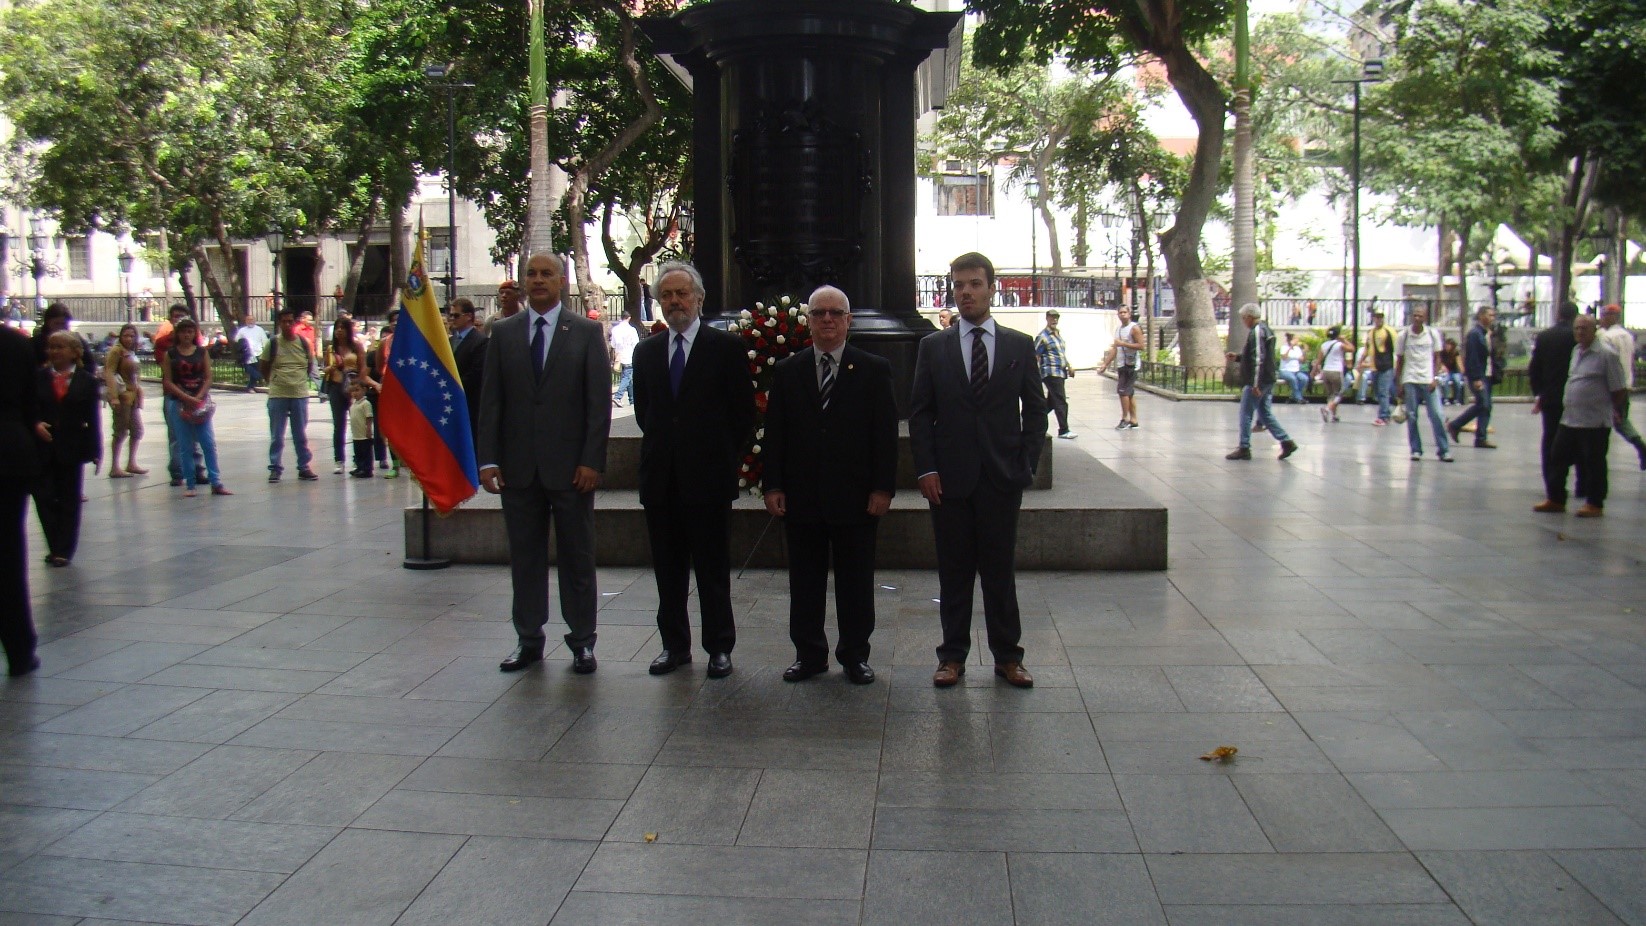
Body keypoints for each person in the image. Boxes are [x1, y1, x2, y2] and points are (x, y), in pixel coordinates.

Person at [910, 252, 1046, 689]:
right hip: (949, 481)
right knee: (953, 572)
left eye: (974, 284)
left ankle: (1009, 657)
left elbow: (1036, 411)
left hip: (1002, 479)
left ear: (991, 288)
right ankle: (952, 656)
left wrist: (1025, 464)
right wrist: (927, 468)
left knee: (999, 572)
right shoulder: (934, 347)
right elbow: (920, 413)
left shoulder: (1019, 346)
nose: (965, 292)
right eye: (959, 284)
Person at [477, 252, 611, 674]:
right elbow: (491, 401)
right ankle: (529, 638)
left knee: (577, 555)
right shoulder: (503, 333)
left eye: (546, 274)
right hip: (518, 469)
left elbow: (597, 404)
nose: (538, 280)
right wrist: (488, 460)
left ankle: (582, 641)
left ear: (561, 281)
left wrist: (592, 460)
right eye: (531, 274)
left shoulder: (586, 332)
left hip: (572, 469)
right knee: (525, 557)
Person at [762, 285, 897, 685]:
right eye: (819, 313)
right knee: (805, 581)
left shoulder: (873, 369)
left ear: (848, 320)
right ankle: (809, 655)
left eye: (835, 313)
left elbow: (884, 435)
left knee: (856, 581)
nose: (827, 320)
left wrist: (882, 488)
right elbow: (776, 435)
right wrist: (773, 486)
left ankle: (855, 655)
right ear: (808, 320)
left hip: (857, 498)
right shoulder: (788, 371)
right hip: (802, 498)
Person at [632, 260, 754, 679]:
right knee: (668, 572)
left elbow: (742, 415)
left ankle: (719, 647)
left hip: (708, 481)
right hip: (661, 480)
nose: (674, 301)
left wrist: (720, 460)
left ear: (699, 299)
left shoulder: (726, 348)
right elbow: (645, 413)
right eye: (666, 295)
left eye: (682, 293)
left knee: (712, 570)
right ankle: (674, 646)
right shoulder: (646, 351)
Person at [1535, 314, 1627, 517]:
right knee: (1557, 457)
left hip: (1594, 421)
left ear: (1594, 330)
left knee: (1593, 462)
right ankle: (1556, 498)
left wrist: (1612, 409)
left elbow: (1619, 388)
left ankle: (1595, 502)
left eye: (1584, 328)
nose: (1579, 332)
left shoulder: (1606, 354)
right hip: (1570, 418)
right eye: (1576, 328)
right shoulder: (1576, 351)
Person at [32, 331, 101, 566]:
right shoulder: (38, 377)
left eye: (60, 347)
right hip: (43, 446)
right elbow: (27, 406)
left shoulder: (87, 381)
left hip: (72, 447)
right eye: (51, 347)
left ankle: (63, 549)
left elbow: (94, 419)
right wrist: (35, 423)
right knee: (44, 497)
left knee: (69, 498)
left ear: (74, 352)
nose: (54, 352)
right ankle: (54, 542)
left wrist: (96, 450)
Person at [1, 324, 42, 675]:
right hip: (10, 452)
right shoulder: (16, 343)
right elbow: (33, 402)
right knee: (9, 554)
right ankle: (19, 647)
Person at [160, 317, 230, 498]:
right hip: (179, 402)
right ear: (178, 334)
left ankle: (216, 481)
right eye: (183, 331)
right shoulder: (171, 354)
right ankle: (190, 483)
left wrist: (198, 397)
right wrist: (185, 397)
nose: (187, 335)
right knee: (185, 445)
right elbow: (167, 381)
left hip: (200, 402)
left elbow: (208, 377)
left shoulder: (201, 352)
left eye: (190, 331)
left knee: (208, 442)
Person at [1225, 303, 1299, 461]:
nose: (1243, 321)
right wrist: (1239, 357)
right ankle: (1286, 441)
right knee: (1264, 413)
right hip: (1267, 378)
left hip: (1260, 380)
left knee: (1246, 413)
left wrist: (1255, 384)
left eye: (1244, 318)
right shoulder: (1265, 329)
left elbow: (1259, 359)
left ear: (1249, 317)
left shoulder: (1258, 331)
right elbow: (1258, 355)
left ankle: (1244, 447)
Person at [260, 309, 319, 483]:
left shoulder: (303, 342)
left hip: (299, 394)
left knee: (300, 433)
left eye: (290, 321)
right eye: (284, 321)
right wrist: (273, 381)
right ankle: (275, 467)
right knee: (277, 434)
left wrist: (299, 380)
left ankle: (304, 466)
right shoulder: (273, 343)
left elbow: (309, 364)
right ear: (279, 323)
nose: (288, 325)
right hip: (278, 394)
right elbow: (263, 366)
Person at [1529, 303, 1578, 495]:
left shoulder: (1545, 336)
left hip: (1550, 397)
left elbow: (1535, 368)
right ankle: (1581, 483)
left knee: (1550, 438)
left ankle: (1551, 480)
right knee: (1577, 439)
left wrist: (1538, 393)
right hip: (1573, 397)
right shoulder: (1577, 338)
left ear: (1558, 314)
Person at [153, 304, 204, 486]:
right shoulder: (163, 344)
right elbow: (166, 371)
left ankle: (198, 470)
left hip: (194, 392)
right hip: (174, 394)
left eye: (182, 316)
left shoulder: (196, 344)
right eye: (175, 317)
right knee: (175, 434)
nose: (179, 320)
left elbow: (203, 369)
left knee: (196, 433)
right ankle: (177, 471)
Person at [1394, 306, 1453, 462]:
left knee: (1437, 415)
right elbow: (1399, 360)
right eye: (1415, 315)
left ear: (1425, 318)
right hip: (1410, 378)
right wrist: (1399, 383)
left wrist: (1435, 377)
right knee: (1412, 415)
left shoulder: (1432, 334)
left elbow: (1437, 357)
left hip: (1427, 379)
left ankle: (1444, 449)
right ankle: (1416, 449)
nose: (1417, 318)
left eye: (1420, 316)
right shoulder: (1404, 335)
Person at [1597, 304, 1646, 469]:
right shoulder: (1627, 335)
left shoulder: (1606, 337)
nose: (1601, 319)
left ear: (1612, 317)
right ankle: (1640, 446)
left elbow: (1605, 363)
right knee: (1621, 419)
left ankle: (1640, 446)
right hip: (1626, 384)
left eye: (1604, 316)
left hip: (1611, 387)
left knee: (1613, 422)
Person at [1447, 306, 1497, 450]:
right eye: (1490, 315)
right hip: (1479, 375)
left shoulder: (1487, 333)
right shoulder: (1475, 334)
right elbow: (1472, 357)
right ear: (1481, 316)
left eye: (1493, 315)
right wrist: (1475, 378)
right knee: (1482, 404)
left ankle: (1481, 438)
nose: (1492, 318)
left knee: (1487, 406)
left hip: (1487, 374)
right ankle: (1455, 425)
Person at [322, 315, 366, 474]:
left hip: (353, 386)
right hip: (336, 386)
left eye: (342, 327)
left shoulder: (357, 347)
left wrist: (359, 385)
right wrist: (333, 367)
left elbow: (363, 367)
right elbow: (325, 369)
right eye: (337, 328)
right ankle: (339, 459)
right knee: (338, 424)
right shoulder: (331, 349)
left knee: (357, 424)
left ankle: (359, 459)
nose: (339, 331)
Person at [103, 324, 148, 478]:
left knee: (137, 430)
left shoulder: (131, 351)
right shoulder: (117, 351)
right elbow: (109, 372)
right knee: (120, 430)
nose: (129, 339)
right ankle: (115, 466)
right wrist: (113, 396)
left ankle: (131, 462)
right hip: (122, 396)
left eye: (132, 336)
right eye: (126, 336)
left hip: (133, 395)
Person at [446, 297, 487, 444]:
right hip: (450, 404)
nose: (452, 319)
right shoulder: (448, 342)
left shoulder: (480, 341)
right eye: (450, 315)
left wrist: (453, 385)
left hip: (469, 404)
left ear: (469, 316)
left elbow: (477, 373)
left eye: (456, 315)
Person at [1034, 309, 1077, 439]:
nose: (1055, 320)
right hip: (1051, 373)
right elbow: (1035, 355)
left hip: (1060, 371)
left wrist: (1069, 366)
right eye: (1052, 317)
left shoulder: (1057, 335)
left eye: (1056, 317)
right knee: (1061, 401)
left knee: (1052, 402)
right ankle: (1064, 430)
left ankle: (1031, 419)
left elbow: (1061, 354)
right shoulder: (1043, 336)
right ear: (1047, 318)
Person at [1112, 305, 1144, 429]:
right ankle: (1134, 420)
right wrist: (1105, 364)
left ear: (1129, 314)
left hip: (1131, 365)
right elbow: (1115, 348)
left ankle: (1125, 418)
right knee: (1129, 393)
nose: (1122, 314)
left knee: (1123, 392)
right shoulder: (1119, 329)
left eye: (1125, 312)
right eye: (1120, 312)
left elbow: (1141, 346)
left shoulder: (1134, 328)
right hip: (1122, 364)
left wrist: (1123, 344)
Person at [1315, 326, 1352, 423]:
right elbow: (1352, 349)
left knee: (1331, 395)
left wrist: (1313, 371)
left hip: (1326, 371)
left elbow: (1318, 360)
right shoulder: (1339, 345)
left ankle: (1334, 415)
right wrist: (1344, 340)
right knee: (1339, 394)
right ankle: (1327, 409)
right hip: (1336, 371)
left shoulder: (1324, 345)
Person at [1367, 308, 1397, 425]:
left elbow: (1397, 348)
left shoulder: (1389, 331)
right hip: (1375, 366)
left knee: (1383, 391)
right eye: (1376, 317)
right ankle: (1385, 413)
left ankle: (1384, 416)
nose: (1378, 319)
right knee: (1378, 392)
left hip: (1386, 365)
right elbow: (1368, 348)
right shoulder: (1371, 332)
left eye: (1380, 317)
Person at [346, 377, 376, 478]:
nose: (355, 393)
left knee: (366, 452)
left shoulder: (365, 404)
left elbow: (369, 417)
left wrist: (368, 429)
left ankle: (367, 469)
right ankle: (359, 467)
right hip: (356, 435)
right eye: (352, 391)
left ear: (364, 390)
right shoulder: (353, 404)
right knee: (357, 452)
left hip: (364, 435)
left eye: (357, 390)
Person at [609, 316, 639, 408]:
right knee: (627, 376)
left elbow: (613, 344)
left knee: (628, 377)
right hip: (629, 355)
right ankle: (618, 396)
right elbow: (636, 343)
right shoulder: (631, 330)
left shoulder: (615, 329)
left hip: (619, 355)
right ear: (629, 318)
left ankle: (632, 399)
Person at [235, 314, 269, 392]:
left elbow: (265, 341)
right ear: (246, 321)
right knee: (250, 370)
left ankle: (250, 387)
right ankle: (261, 378)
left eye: (252, 320)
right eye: (248, 320)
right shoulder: (242, 330)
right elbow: (237, 340)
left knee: (255, 370)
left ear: (255, 321)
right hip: (246, 354)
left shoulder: (259, 329)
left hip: (257, 353)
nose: (250, 321)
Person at [1279, 332, 1309, 403]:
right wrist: (1290, 347)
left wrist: (1304, 352)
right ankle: (1299, 398)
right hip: (1285, 370)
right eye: (1296, 339)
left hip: (1296, 371)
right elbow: (1284, 357)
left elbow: (1302, 361)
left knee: (1304, 379)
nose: (1297, 341)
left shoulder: (1297, 349)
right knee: (1293, 379)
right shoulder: (1284, 347)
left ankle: (1293, 397)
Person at [1437, 337, 1464, 405]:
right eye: (1446, 345)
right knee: (1445, 380)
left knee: (1457, 381)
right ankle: (1446, 399)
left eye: (1449, 345)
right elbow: (1439, 362)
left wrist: (1462, 371)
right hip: (1445, 372)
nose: (1447, 346)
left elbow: (1459, 363)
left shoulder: (1456, 353)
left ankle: (1456, 399)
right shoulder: (1442, 352)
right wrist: (1442, 366)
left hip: (1454, 371)